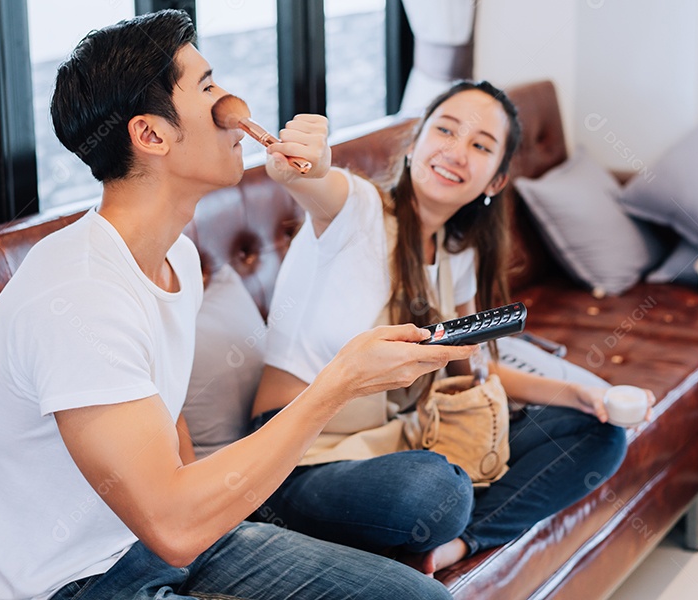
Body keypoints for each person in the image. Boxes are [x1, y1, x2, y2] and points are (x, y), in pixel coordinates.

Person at [0, 9, 474, 600]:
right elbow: (171, 525)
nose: (234, 105)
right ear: (150, 135)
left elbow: (166, 427)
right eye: (208, 87)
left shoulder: (180, 261)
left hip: (155, 546)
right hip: (65, 584)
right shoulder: (80, 294)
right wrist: (339, 383)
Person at [251, 80, 653, 573]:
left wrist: (578, 394)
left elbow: (475, 374)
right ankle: (407, 527)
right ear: (416, 141)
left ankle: (452, 546)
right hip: (297, 462)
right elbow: (314, 180)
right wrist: (302, 163)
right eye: (445, 130)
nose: (456, 151)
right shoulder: (357, 210)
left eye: (481, 145)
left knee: (598, 434)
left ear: (495, 181)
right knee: (436, 490)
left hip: (405, 444)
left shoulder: (457, 257)